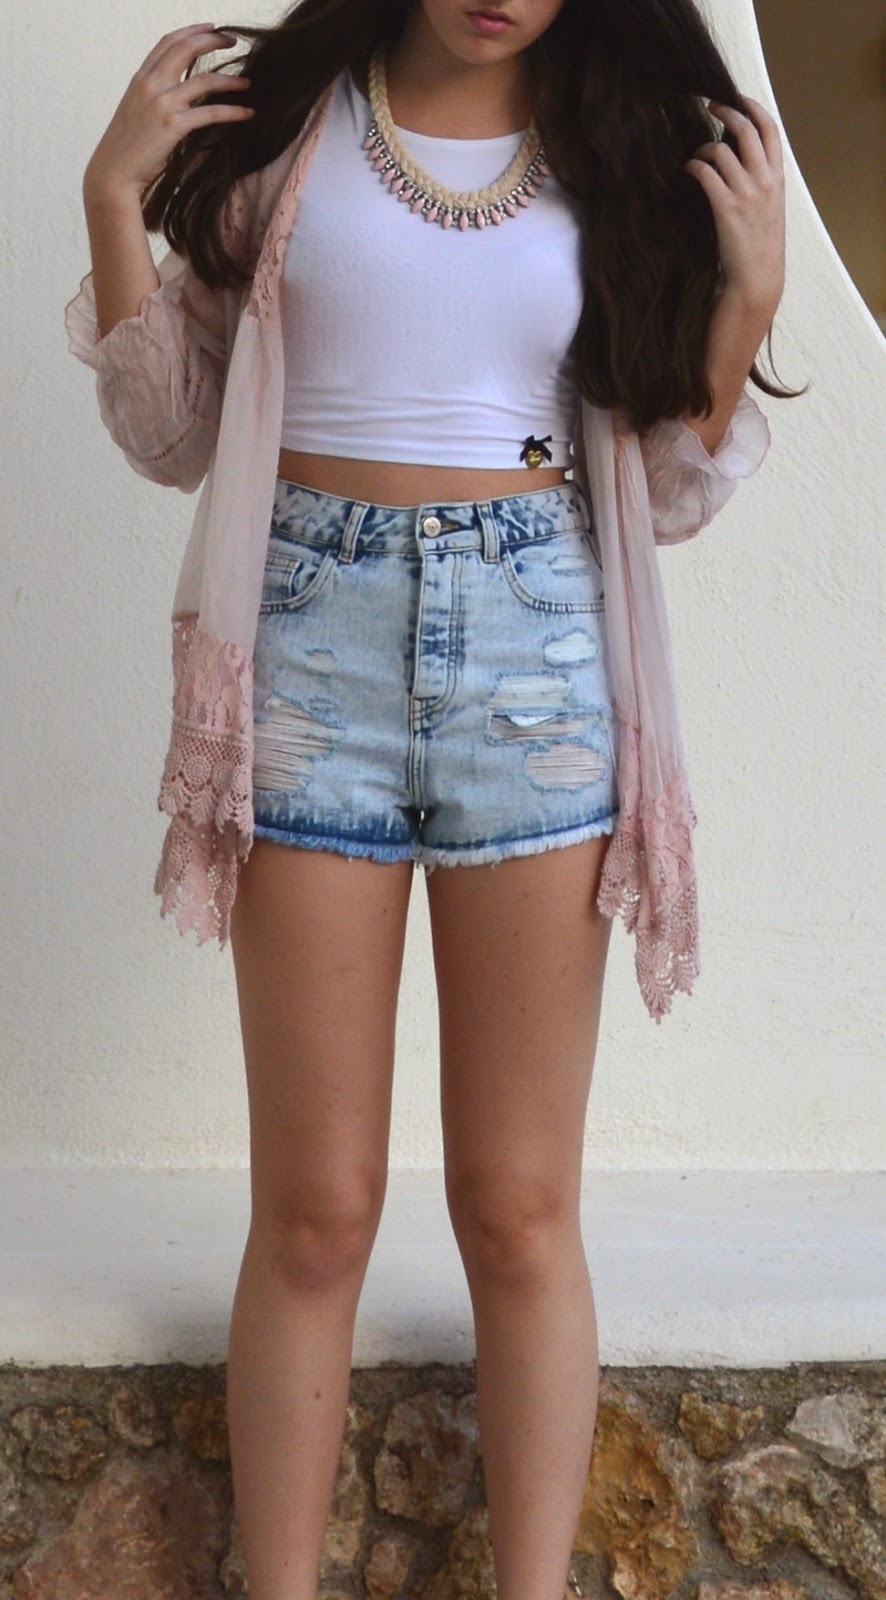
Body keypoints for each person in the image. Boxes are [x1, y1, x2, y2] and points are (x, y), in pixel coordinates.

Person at [65, 3, 791, 1595]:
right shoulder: (289, 134)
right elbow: (171, 431)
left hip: (534, 658)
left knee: (516, 1207)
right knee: (314, 1211)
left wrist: (743, 301)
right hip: (304, 655)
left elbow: (666, 491)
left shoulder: (621, 151)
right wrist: (115, 200)